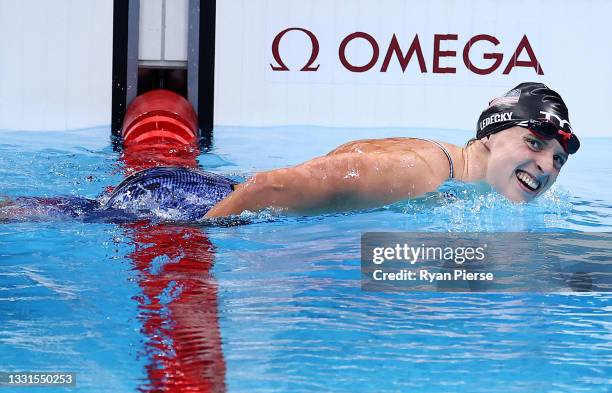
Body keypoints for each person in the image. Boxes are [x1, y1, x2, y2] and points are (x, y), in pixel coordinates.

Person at [0, 82, 579, 222]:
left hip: (184, 194)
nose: (545, 167)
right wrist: (201, 236)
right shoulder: (419, 171)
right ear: (490, 135)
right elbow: (271, 187)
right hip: (182, 204)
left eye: (557, 159)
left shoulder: (447, 168)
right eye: (535, 144)